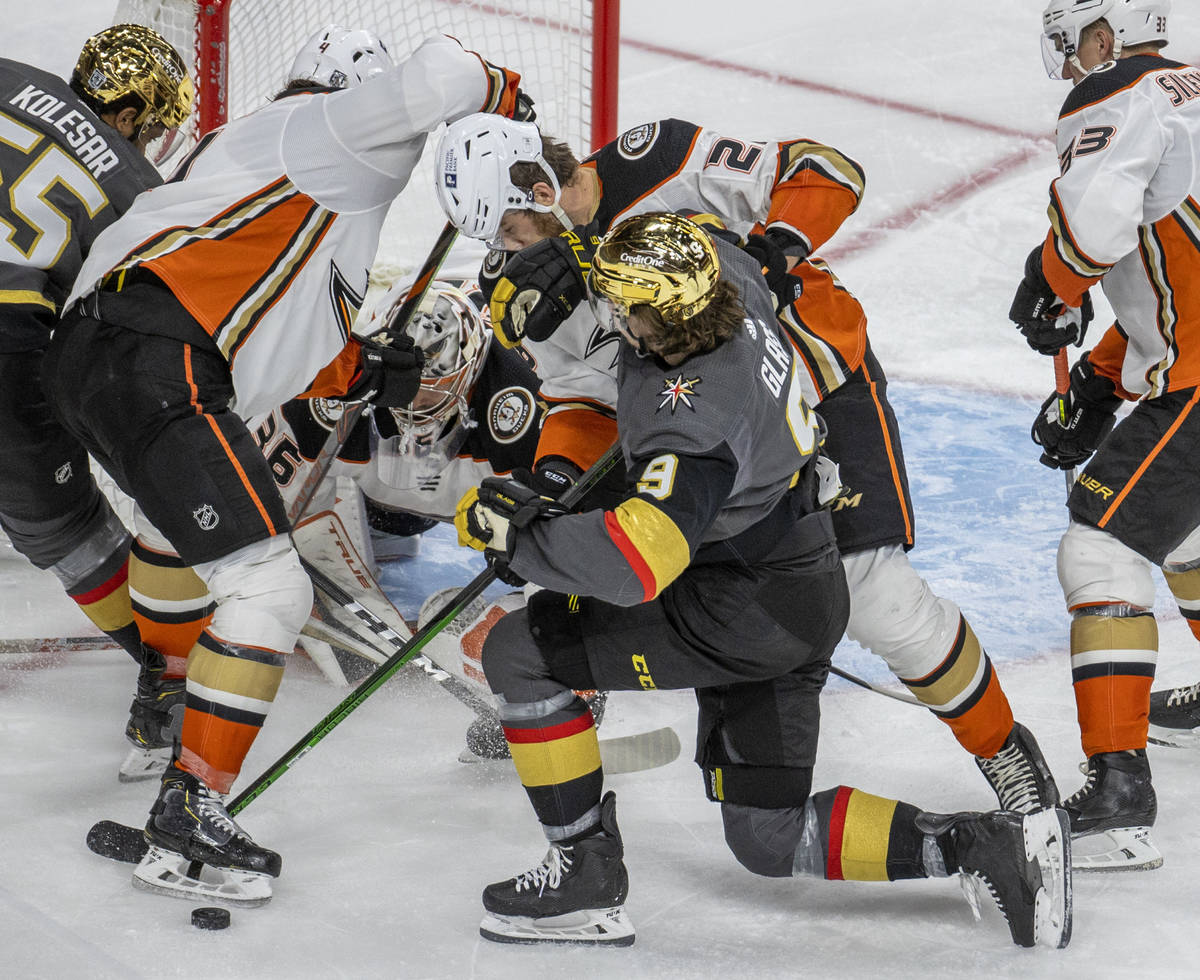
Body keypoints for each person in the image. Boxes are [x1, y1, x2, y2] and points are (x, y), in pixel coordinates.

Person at [454, 212, 1072, 950]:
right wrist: (579, 250)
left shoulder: (688, 415)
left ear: (657, 313)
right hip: (798, 586)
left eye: (623, 302)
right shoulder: (727, 278)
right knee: (767, 837)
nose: (612, 310)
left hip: (736, 612)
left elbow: (637, 561)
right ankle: (984, 846)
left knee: (521, 649)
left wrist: (522, 537)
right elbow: (711, 232)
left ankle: (583, 874)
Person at [433, 113, 1060, 814]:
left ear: (538, 187)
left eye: (507, 226)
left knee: (880, 600)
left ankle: (1008, 756)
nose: (501, 246)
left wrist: (771, 252)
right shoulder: (525, 282)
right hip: (695, 432)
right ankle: (578, 679)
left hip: (813, 393)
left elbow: (827, 168)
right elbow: (580, 398)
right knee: (621, 555)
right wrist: (554, 482)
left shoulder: (657, 164)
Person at [42, 25, 527, 905]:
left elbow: (281, 314)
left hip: (93, 356)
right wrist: (498, 88)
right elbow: (442, 73)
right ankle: (193, 806)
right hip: (161, 361)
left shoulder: (249, 163)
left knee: (172, 526)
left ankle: (167, 699)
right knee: (270, 589)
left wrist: (360, 366)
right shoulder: (329, 132)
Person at [1008, 0, 1193, 871]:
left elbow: (1093, 229)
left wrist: (1050, 282)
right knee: (1180, 524)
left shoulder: (1119, 92)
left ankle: (1119, 793)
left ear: (1113, 26)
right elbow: (1176, 287)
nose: (1064, 53)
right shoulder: (1186, 91)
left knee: (1102, 546)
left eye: (1072, 31)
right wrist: (1097, 378)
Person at [0, 25, 194, 776]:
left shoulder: (9, 71)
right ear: (131, 112)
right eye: (152, 124)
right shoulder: (133, 188)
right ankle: (169, 678)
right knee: (69, 527)